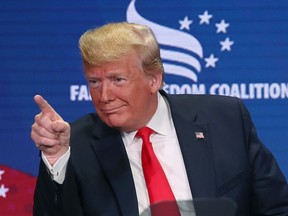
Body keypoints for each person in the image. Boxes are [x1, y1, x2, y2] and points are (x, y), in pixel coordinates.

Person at [31, 22, 288, 216]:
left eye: (117, 80)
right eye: (94, 82)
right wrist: (55, 159)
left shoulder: (225, 119)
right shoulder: (76, 144)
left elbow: (276, 208)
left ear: (154, 79)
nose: (104, 96)